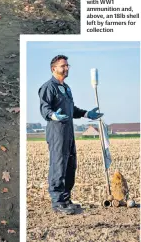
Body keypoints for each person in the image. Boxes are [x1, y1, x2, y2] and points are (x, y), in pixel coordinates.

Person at [38, 55, 103, 215]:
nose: (66, 68)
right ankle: (58, 202)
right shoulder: (48, 87)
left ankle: (66, 199)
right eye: (63, 66)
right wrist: (53, 115)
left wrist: (87, 113)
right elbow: (44, 108)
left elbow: (71, 109)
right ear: (54, 69)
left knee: (70, 166)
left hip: (69, 132)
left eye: (67, 66)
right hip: (57, 133)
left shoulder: (66, 88)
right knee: (58, 166)